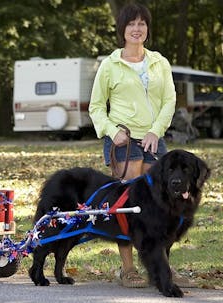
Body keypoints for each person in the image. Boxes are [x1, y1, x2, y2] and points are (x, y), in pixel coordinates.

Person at [89, 3, 195, 289]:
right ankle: (128, 270)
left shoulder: (160, 62)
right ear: (122, 30)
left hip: (153, 139)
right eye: (131, 24)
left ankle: (163, 271)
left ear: (147, 28)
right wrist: (113, 132)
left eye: (142, 24)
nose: (137, 29)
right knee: (127, 206)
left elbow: (169, 101)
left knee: (165, 206)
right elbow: (96, 107)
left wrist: (155, 131)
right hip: (123, 141)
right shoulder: (110, 65)